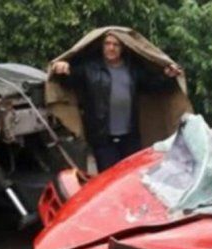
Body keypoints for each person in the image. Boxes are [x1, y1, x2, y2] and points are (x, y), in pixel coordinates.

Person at [50, 32, 182, 172]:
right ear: (102, 46)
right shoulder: (90, 68)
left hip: (130, 137)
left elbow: (153, 86)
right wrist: (62, 70)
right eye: (107, 44)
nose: (111, 48)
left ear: (123, 47)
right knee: (108, 179)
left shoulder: (133, 69)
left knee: (132, 176)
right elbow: (69, 81)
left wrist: (167, 76)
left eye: (116, 44)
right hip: (103, 138)